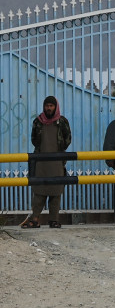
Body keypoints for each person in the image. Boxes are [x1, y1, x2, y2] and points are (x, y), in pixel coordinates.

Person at [21, 96, 72, 229]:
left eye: (51, 106)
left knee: (56, 192)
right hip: (41, 161)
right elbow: (33, 139)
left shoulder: (62, 122)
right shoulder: (38, 121)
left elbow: (68, 139)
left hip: (57, 161)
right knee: (39, 191)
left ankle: (53, 220)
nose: (48, 108)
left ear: (55, 107)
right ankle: (35, 219)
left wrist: (58, 150)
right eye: (47, 105)